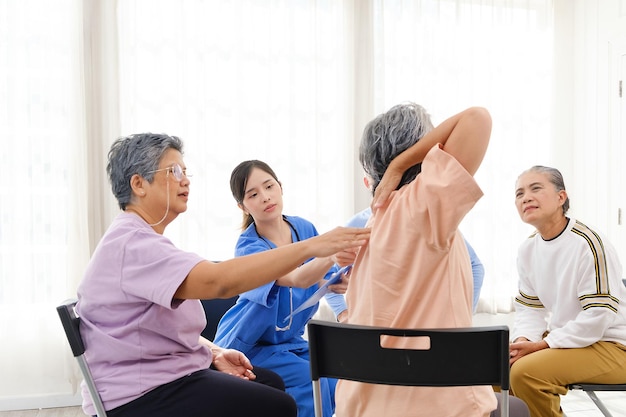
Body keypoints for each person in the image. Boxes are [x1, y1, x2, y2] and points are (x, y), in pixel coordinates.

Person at [75, 134, 370, 417]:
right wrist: (316, 247)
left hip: (167, 374)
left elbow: (156, 332)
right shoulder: (133, 245)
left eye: (186, 171)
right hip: (140, 393)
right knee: (278, 404)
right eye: (174, 170)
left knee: (277, 385)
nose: (185, 179)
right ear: (139, 184)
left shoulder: (143, 241)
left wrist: (213, 352)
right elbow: (219, 281)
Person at [335, 103, 529, 417]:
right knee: (515, 409)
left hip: (364, 406)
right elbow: (477, 118)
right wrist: (401, 164)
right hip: (433, 404)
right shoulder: (425, 202)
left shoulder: (375, 220)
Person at [213, 160, 355, 417]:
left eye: (269, 186)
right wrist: (331, 254)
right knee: (311, 381)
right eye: (253, 194)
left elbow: (321, 278)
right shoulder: (249, 247)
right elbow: (297, 278)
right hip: (249, 346)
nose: (265, 197)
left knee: (341, 372)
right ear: (242, 206)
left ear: (280, 187)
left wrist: (336, 282)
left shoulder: (303, 228)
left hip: (289, 342)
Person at [509, 165, 626, 417]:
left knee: (525, 373)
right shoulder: (527, 250)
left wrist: (544, 344)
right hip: (573, 342)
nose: (525, 197)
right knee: (496, 371)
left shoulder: (588, 243)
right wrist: (523, 342)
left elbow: (598, 316)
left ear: (561, 197)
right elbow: (529, 309)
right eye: (519, 194)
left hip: (614, 346)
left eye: (536, 188)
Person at [345, 174, 485, 312]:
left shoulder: (429, 222)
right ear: (367, 183)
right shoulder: (358, 224)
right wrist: (342, 313)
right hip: (375, 325)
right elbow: (330, 276)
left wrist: (464, 317)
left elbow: (475, 266)